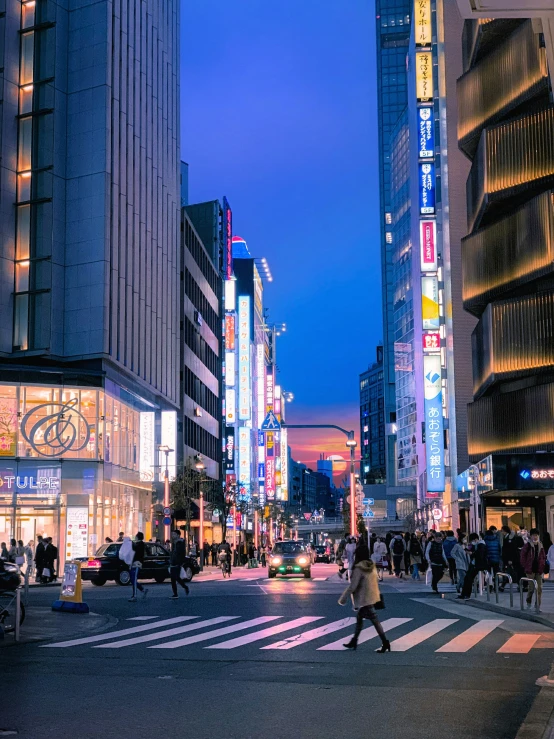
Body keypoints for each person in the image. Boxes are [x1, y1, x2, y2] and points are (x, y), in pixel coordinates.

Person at [338, 543, 390, 653]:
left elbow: (353, 586)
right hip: (371, 596)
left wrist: (343, 598)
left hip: (365, 599)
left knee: (374, 621)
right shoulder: (371, 565)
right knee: (361, 618)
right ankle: (355, 641)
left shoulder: (358, 568)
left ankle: (385, 642)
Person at [520, 528, 546, 609]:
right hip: (530, 570)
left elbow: (543, 556)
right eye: (534, 535)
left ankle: (537, 605)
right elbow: (522, 556)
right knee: (531, 588)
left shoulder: (540, 545)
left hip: (539, 569)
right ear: (530, 536)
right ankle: (528, 602)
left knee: (539, 588)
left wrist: (543, 564)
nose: (535, 537)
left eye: (537, 535)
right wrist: (525, 566)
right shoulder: (527, 545)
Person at [457, 532, 488, 600]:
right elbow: (472, 550)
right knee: (467, 578)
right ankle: (464, 594)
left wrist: (472, 553)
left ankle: (466, 594)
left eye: (472, 540)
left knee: (469, 578)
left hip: (478, 565)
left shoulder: (481, 544)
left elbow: (480, 555)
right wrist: (467, 549)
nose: (472, 542)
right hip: (474, 564)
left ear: (476, 539)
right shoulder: (476, 545)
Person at [169, 529, 189, 599]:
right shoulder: (174, 542)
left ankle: (185, 587)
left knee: (177, 577)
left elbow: (182, 553)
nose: (172, 536)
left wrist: (180, 562)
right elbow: (172, 553)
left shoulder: (181, 542)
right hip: (173, 562)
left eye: (174, 534)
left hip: (178, 562)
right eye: (172, 534)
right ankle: (175, 594)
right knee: (172, 579)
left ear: (178, 535)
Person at [128, 532, 148, 602]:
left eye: (136, 536)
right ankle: (143, 590)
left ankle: (135, 596)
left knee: (134, 579)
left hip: (137, 564)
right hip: (133, 563)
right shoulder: (137, 544)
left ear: (138, 537)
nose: (135, 537)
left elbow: (136, 550)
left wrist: (131, 544)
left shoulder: (141, 544)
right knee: (132, 580)